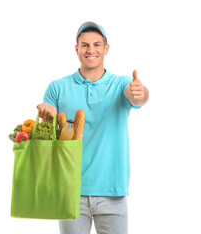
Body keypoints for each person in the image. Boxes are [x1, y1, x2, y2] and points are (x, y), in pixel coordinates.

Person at [37, 21, 149, 234]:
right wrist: (48, 119)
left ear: (106, 49)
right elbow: (47, 136)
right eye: (85, 45)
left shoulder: (121, 84)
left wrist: (140, 93)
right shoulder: (57, 88)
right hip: (70, 190)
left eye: (97, 44)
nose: (91, 50)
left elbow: (138, 98)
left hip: (112, 193)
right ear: (77, 49)